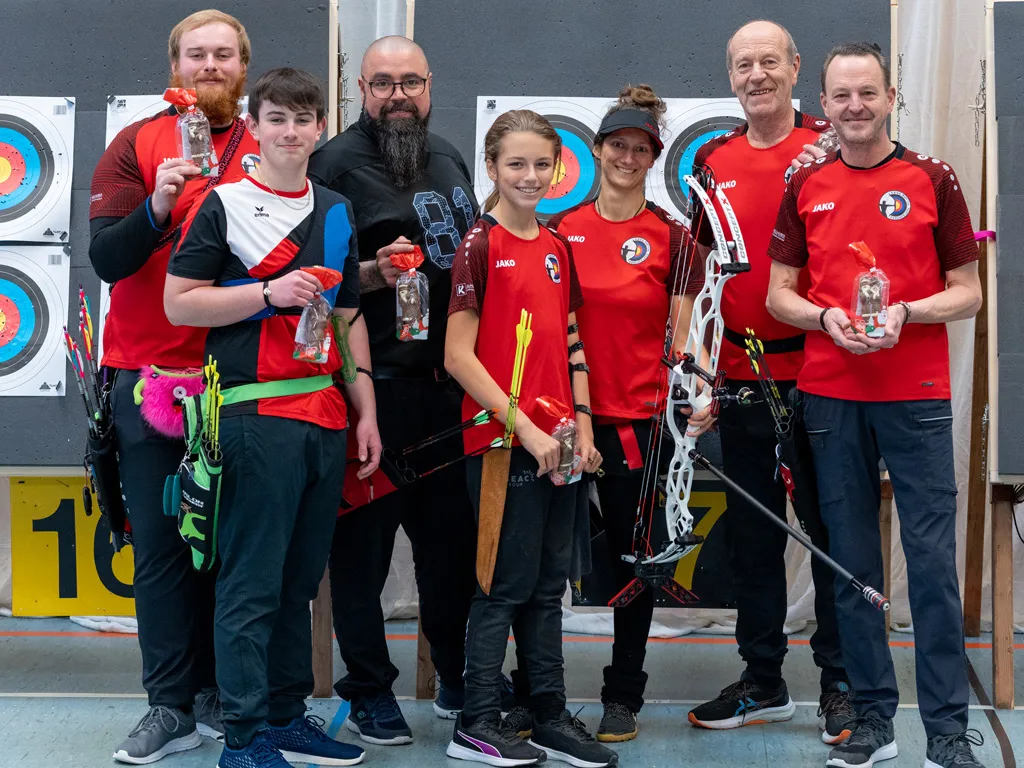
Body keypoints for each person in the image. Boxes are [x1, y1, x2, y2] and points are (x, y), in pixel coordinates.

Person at [767, 42, 984, 768]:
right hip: (830, 398)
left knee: (929, 565)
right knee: (852, 564)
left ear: (891, 97)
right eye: (841, 96)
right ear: (822, 104)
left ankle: (948, 731)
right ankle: (872, 720)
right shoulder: (805, 179)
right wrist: (828, 319)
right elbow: (778, 295)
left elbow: (969, 288)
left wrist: (908, 313)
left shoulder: (932, 177)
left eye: (868, 93)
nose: (854, 107)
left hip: (917, 399)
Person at [165, 67, 380, 768]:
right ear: (253, 126)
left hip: (323, 417)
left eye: (304, 119)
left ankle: (287, 716)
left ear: (322, 127)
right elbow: (180, 303)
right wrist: (265, 294)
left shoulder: (339, 208)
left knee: (299, 578)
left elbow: (347, 314)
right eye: (277, 119)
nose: (291, 132)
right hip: (253, 415)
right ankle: (246, 737)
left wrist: (366, 407)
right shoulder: (221, 204)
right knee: (251, 580)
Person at [88, 10, 259, 762]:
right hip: (149, 379)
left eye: (224, 54)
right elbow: (107, 261)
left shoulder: (273, 145)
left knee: (227, 549)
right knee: (160, 549)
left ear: (243, 66)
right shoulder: (133, 145)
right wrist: (158, 205)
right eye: (197, 54)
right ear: (175, 64)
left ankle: (220, 694)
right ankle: (169, 705)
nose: (210, 65)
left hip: (244, 382)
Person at [306, 35, 482, 744]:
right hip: (368, 392)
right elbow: (313, 290)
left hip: (445, 391)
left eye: (410, 81)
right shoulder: (333, 166)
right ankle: (369, 690)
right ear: (360, 90)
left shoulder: (447, 155)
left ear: (430, 85)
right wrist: (374, 274)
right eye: (382, 83)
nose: (398, 95)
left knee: (450, 551)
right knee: (360, 557)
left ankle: (457, 677)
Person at [684, 20, 855, 745]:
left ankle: (844, 685)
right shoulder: (713, 162)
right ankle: (763, 681)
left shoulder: (830, 148)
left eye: (768, 61)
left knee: (832, 532)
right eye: (741, 64)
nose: (756, 74)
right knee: (752, 541)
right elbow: (697, 278)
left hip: (818, 373)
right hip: (738, 376)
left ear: (794, 68)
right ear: (730, 77)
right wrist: (695, 368)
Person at [443, 109, 617, 768]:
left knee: (549, 590)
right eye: (515, 164)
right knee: (501, 588)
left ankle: (547, 714)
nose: (530, 175)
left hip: (560, 446)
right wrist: (527, 430)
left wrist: (584, 428)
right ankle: (478, 723)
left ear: (558, 168)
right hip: (502, 447)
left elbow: (570, 342)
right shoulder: (478, 245)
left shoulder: (556, 246)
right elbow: (459, 356)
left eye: (541, 164)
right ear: (492, 168)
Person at [538, 84, 701, 743]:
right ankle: (540, 692)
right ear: (596, 149)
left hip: (639, 424)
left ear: (654, 157)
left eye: (642, 149)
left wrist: (696, 394)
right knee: (545, 561)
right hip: (561, 422)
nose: (629, 157)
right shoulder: (558, 230)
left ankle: (622, 696)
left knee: (638, 563)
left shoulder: (674, 238)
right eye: (618, 146)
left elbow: (684, 339)